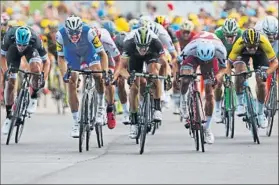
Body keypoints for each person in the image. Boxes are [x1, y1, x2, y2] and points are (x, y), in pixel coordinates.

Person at [56, 15, 110, 138]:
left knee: (97, 74)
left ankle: (101, 107)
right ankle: (76, 121)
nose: (74, 36)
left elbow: (102, 54)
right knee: (71, 81)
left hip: (89, 53)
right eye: (71, 33)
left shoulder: (90, 32)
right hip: (72, 55)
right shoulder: (60, 35)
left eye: (77, 33)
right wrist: (65, 74)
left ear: (81, 29)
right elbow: (61, 58)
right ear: (67, 31)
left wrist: (105, 72)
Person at [113, 27, 169, 139]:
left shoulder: (155, 42)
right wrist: (128, 77)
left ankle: (157, 108)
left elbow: (164, 62)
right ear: (136, 42)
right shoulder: (129, 44)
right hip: (134, 58)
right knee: (134, 87)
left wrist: (165, 78)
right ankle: (133, 122)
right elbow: (121, 68)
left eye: (145, 47)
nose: (143, 49)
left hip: (151, 56)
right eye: (141, 46)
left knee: (153, 74)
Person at [179, 31, 228, 144]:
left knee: (210, 94)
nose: (204, 61)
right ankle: (183, 101)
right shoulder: (190, 48)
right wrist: (179, 76)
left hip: (211, 61)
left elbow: (223, 68)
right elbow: (178, 63)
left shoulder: (220, 50)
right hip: (193, 57)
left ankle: (207, 128)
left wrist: (217, 76)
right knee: (186, 78)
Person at [1, 26, 50, 134]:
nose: (21, 47)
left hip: (31, 50)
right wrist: (6, 72)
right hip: (12, 51)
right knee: (10, 84)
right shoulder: (9, 37)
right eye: (20, 44)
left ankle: (34, 95)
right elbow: (2, 56)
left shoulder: (36, 40)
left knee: (36, 69)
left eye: (24, 45)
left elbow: (47, 62)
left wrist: (43, 79)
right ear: (15, 40)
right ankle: (9, 116)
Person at [228, 28, 278, 128]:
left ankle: (260, 113)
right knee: (240, 72)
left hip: (260, 56)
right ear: (244, 42)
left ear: (258, 42)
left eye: (254, 46)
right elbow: (229, 63)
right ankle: (240, 103)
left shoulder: (264, 41)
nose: (252, 49)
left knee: (261, 83)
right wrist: (228, 74)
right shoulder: (239, 43)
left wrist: (266, 73)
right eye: (249, 47)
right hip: (242, 55)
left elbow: (275, 62)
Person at [213, 18, 243, 123]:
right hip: (221, 56)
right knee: (218, 82)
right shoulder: (217, 34)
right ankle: (217, 108)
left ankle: (240, 103)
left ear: (236, 33)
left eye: (232, 36)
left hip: (235, 56)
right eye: (228, 36)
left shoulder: (241, 33)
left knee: (240, 73)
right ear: (224, 33)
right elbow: (214, 52)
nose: (230, 39)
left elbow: (244, 51)